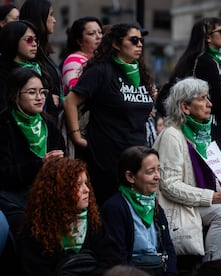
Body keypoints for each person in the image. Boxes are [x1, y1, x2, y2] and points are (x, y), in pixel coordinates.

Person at [63, 23, 155, 206]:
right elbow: (70, 101)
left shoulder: (141, 75)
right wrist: (76, 137)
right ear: (116, 44)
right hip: (107, 163)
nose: (140, 45)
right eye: (134, 40)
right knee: (110, 215)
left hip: (137, 160)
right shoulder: (101, 71)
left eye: (141, 41)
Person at [152, 77, 221, 263]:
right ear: (185, 107)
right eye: (202, 99)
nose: (209, 104)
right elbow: (170, 186)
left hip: (195, 202)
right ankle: (212, 266)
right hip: (179, 207)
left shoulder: (202, 135)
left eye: (208, 98)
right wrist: (212, 197)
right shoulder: (171, 135)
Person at [17, 157, 121, 275]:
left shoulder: (94, 221)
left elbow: (112, 260)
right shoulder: (35, 230)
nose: (86, 190)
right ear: (59, 191)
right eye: (78, 185)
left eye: (85, 183)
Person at [0, 68, 65, 234]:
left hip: (47, 195)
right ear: (15, 95)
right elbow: (4, 175)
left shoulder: (49, 126)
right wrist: (40, 164)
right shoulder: (4, 125)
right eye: (32, 92)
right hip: (12, 199)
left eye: (43, 92)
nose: (40, 97)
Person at [156, 17, 221, 142]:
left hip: (205, 129)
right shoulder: (205, 62)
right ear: (208, 37)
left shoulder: (212, 62)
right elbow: (219, 103)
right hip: (204, 131)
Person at [101, 146, 177, 275]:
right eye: (150, 171)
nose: (157, 176)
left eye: (158, 170)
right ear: (130, 176)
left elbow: (168, 249)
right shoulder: (115, 208)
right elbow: (117, 257)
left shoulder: (156, 207)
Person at [20, 0, 63, 124]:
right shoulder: (28, 54)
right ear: (39, 17)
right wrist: (49, 99)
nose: (54, 20)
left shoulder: (44, 52)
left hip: (53, 122)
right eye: (51, 15)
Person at [0, 20, 48, 112]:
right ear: (13, 40)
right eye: (29, 40)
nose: (34, 44)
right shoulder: (3, 72)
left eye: (36, 40)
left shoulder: (38, 67)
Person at [61, 16, 103, 95]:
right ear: (79, 41)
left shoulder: (100, 59)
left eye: (100, 32)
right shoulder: (73, 60)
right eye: (91, 34)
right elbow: (76, 91)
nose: (99, 37)